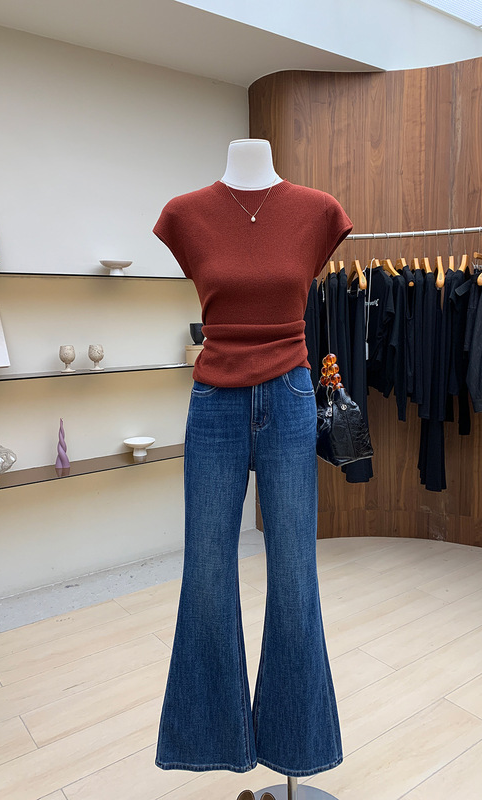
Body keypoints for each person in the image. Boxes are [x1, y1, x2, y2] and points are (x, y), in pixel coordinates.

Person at [152, 139, 352, 777]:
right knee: (207, 575)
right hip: (215, 402)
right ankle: (213, 745)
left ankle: (298, 750)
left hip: (290, 396)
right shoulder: (185, 215)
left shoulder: (318, 212)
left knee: (295, 575)